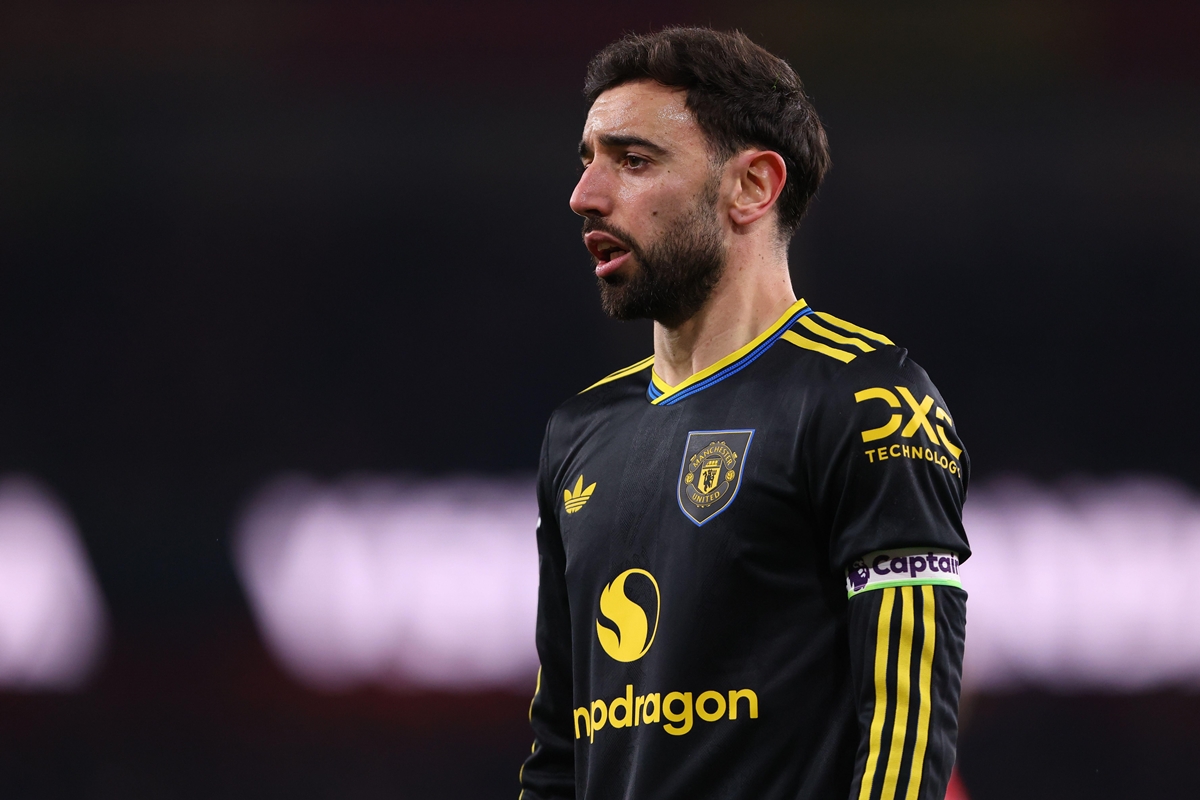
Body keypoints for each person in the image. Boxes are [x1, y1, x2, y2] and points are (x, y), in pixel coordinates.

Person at [520, 27, 969, 800]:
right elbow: (561, 753)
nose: (585, 195)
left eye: (633, 160)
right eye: (587, 160)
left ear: (752, 186)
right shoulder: (578, 433)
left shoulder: (870, 400)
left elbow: (907, 728)